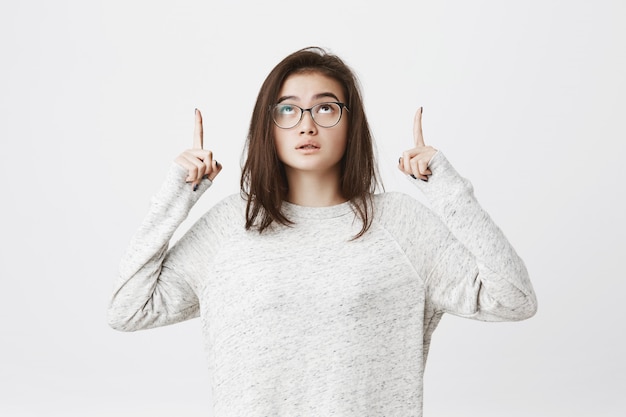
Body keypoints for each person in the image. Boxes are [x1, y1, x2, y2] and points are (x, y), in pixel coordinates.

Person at [108, 46, 537, 416]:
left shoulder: (401, 225)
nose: (307, 124)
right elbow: (128, 310)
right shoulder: (229, 226)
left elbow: (513, 299)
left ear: (352, 125)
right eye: (288, 109)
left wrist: (445, 187)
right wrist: (178, 194)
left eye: (326, 108)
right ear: (268, 125)